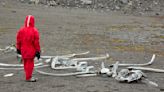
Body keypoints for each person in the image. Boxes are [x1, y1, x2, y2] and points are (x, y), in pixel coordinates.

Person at [16, 15, 41, 82]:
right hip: (30, 50)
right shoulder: (34, 31)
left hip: (23, 50)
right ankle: (28, 77)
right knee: (30, 64)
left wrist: (18, 49)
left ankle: (28, 75)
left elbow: (18, 41)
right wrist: (38, 51)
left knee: (25, 63)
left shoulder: (21, 30)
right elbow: (36, 43)